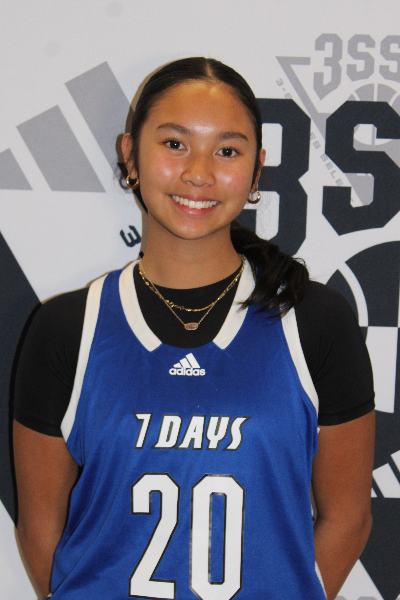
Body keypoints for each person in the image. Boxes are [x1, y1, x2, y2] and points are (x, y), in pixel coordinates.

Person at [13, 57, 375, 600]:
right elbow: (41, 529)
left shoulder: (314, 321)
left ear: (257, 169)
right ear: (130, 154)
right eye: (175, 144)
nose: (199, 173)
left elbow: (348, 517)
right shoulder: (67, 329)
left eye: (227, 151)